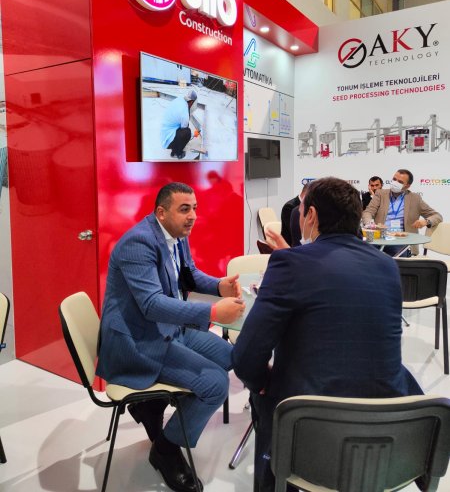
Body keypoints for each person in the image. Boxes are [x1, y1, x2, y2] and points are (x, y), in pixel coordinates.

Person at [232, 177, 422, 492]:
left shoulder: (289, 263)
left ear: (311, 215)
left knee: (262, 393)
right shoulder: (387, 266)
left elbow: (246, 357)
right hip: (385, 438)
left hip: (310, 435)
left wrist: (263, 383)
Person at [97, 182, 245, 492]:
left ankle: (154, 405)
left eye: (194, 209)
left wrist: (218, 286)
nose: (193, 216)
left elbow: (187, 274)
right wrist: (213, 312)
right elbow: (151, 304)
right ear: (161, 212)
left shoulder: (176, 235)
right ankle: (165, 449)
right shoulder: (138, 243)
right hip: (139, 342)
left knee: (229, 357)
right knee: (216, 384)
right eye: (184, 209)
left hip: (170, 330)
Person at [362, 169, 442, 255]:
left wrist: (426, 221)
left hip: (401, 240)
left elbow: (437, 216)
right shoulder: (381, 194)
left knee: (399, 254)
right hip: (380, 237)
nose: (395, 183)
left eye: (400, 182)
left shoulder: (415, 198)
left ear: (407, 186)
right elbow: (368, 212)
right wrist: (370, 225)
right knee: (364, 252)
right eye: (394, 179)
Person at [266, 184, 310, 250]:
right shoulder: (289, 207)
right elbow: (297, 232)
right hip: (290, 247)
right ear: (307, 194)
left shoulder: (310, 206)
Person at [160, 90, 198, 159]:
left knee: (185, 129)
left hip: (164, 133)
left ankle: (175, 147)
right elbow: (184, 131)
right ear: (192, 102)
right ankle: (176, 153)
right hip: (168, 140)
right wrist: (194, 134)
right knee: (187, 133)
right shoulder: (184, 113)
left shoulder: (180, 100)